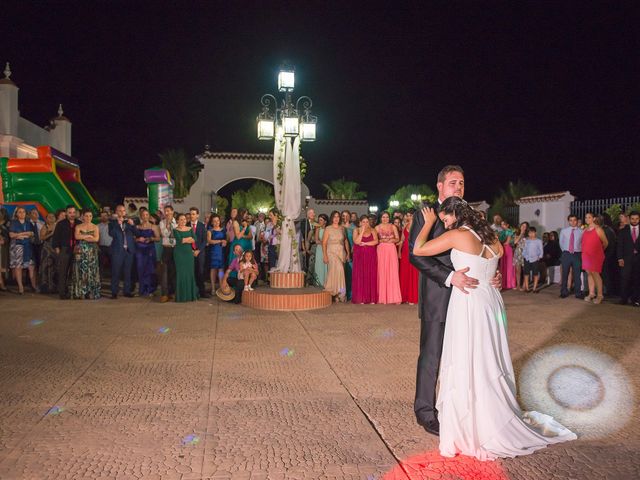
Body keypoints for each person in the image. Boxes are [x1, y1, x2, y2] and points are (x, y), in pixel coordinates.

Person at [413, 196, 576, 459]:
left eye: (445, 219)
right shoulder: (491, 238)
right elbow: (491, 268)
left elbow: (419, 249)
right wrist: (494, 276)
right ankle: (490, 412)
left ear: (455, 215)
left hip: (469, 302)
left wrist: (428, 222)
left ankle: (473, 423)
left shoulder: (458, 235)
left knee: (468, 358)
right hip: (490, 302)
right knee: (488, 359)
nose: (443, 223)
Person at [408, 165, 502, 436]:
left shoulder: (472, 218)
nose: (458, 187)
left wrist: (491, 276)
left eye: (461, 183)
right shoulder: (425, 215)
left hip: (471, 299)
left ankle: (460, 407)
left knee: (465, 354)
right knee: (432, 355)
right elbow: (416, 255)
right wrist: (450, 277)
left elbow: (487, 251)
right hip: (439, 296)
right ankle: (425, 412)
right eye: (452, 183)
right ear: (439, 186)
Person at [70, 209, 101, 299]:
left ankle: (91, 292)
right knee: (81, 270)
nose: (88, 218)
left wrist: (83, 237)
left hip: (92, 252)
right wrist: (88, 236)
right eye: (86, 216)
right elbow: (76, 236)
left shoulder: (95, 227)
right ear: (83, 216)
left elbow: (96, 239)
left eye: (90, 216)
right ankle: (81, 292)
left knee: (92, 271)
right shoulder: (78, 226)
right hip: (81, 251)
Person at [108, 204, 136, 299]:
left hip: (128, 250)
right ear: (116, 212)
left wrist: (133, 225)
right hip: (117, 251)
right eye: (119, 210)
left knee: (127, 272)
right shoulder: (112, 223)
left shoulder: (129, 222)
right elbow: (111, 234)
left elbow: (137, 233)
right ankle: (114, 292)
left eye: (123, 210)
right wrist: (118, 224)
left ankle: (127, 291)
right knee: (116, 271)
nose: (122, 212)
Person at [52, 205, 79, 299]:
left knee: (74, 272)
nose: (72, 214)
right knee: (63, 272)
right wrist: (57, 248)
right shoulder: (61, 224)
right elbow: (56, 237)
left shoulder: (79, 223)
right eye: (70, 212)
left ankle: (73, 292)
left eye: (73, 212)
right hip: (64, 249)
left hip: (76, 250)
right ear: (66, 213)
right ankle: (62, 293)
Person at [581, 212, 609, 304]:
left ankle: (600, 295)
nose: (587, 219)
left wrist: (599, 251)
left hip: (596, 255)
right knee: (589, 273)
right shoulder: (585, 229)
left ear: (594, 219)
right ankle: (591, 293)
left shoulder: (598, 229)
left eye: (589, 217)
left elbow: (605, 243)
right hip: (586, 255)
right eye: (586, 217)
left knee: (595, 273)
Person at [9, 207, 38, 294]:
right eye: (20, 212)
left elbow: (32, 234)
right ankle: (20, 287)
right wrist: (23, 234)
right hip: (18, 247)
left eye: (23, 212)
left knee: (31, 266)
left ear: (26, 213)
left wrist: (19, 235)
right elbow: (11, 235)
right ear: (16, 214)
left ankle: (34, 286)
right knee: (18, 267)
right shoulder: (14, 223)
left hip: (28, 247)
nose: (22, 214)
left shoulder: (29, 223)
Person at [322, 211, 350, 302]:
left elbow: (345, 241)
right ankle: (339, 293)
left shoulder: (342, 228)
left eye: (338, 217)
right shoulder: (328, 228)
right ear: (332, 218)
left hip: (341, 252)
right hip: (331, 252)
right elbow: (324, 243)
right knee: (339, 269)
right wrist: (325, 255)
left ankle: (339, 293)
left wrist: (348, 252)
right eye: (334, 217)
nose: (336, 218)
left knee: (340, 274)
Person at [375, 211, 402, 304]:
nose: (385, 219)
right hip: (381, 249)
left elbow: (398, 238)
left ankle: (393, 297)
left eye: (386, 217)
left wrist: (391, 240)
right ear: (380, 218)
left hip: (391, 249)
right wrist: (381, 240)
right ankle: (382, 297)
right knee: (382, 271)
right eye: (383, 217)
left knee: (392, 271)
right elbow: (375, 239)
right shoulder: (377, 227)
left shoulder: (393, 226)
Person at [351, 215, 378, 304]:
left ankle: (371, 298)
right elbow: (357, 242)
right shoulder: (356, 230)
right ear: (360, 222)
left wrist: (365, 243)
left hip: (371, 256)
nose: (365, 223)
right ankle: (361, 298)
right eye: (363, 222)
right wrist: (362, 231)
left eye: (367, 222)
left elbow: (376, 241)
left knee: (370, 274)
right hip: (360, 256)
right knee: (361, 275)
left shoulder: (373, 230)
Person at [173, 213, 199, 302]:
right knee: (180, 274)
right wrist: (188, 239)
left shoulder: (190, 229)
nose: (183, 221)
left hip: (188, 254)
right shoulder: (175, 230)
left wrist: (186, 239)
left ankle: (190, 295)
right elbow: (180, 240)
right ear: (177, 221)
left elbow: (194, 239)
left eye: (184, 219)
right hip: (179, 254)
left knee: (189, 273)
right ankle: (181, 296)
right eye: (181, 219)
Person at [134, 209, 160, 297]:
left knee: (150, 269)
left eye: (146, 215)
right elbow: (133, 238)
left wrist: (150, 239)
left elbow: (158, 238)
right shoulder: (137, 227)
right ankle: (142, 289)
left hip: (149, 249)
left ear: (149, 216)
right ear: (141, 216)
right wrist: (138, 239)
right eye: (143, 215)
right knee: (140, 269)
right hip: (139, 250)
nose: (145, 217)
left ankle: (150, 289)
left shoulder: (154, 227)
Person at [617, 211, 639, 306]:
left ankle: (636, 299)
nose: (634, 220)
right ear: (629, 219)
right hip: (626, 259)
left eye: (637, 218)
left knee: (637, 279)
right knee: (624, 279)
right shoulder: (623, 231)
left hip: (638, 259)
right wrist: (620, 258)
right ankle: (624, 299)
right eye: (632, 219)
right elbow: (619, 246)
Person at [559, 214, 584, 299]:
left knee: (577, 274)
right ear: (568, 221)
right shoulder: (564, 231)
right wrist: (566, 251)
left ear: (577, 221)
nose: (573, 222)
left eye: (574, 220)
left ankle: (578, 293)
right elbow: (561, 243)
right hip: (566, 253)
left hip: (577, 254)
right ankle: (564, 291)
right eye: (571, 220)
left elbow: (582, 243)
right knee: (565, 273)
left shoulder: (581, 231)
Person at [399, 209, 419, 304]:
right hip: (405, 251)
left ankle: (413, 297)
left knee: (414, 273)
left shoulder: (418, 225)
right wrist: (399, 251)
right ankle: (405, 296)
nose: (408, 217)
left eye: (411, 215)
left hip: (413, 250)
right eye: (407, 215)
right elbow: (402, 240)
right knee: (405, 273)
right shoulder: (405, 226)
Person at [188, 207, 208, 298]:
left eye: (193, 214)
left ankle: (202, 292)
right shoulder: (187, 225)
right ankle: (192, 291)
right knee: (191, 272)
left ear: (197, 215)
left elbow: (204, 240)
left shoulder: (201, 225)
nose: (191, 216)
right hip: (189, 252)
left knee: (200, 272)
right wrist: (191, 250)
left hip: (200, 253)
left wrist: (198, 250)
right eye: (190, 214)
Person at [159, 205, 177, 302]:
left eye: (168, 211)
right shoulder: (162, 223)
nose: (167, 213)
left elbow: (177, 234)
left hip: (175, 249)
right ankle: (164, 294)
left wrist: (172, 225)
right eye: (165, 211)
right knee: (164, 272)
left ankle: (173, 292)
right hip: (166, 249)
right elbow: (164, 234)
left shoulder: (177, 222)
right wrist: (167, 225)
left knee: (173, 272)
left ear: (172, 212)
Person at [207, 213, 226, 294]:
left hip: (221, 251)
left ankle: (221, 286)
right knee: (213, 269)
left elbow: (226, 239)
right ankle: (213, 288)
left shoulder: (223, 230)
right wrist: (220, 241)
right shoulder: (210, 230)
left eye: (217, 220)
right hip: (213, 251)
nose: (216, 222)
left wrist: (225, 241)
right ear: (211, 222)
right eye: (214, 221)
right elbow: (209, 241)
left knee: (221, 270)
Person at [38, 213, 58, 293]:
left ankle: (54, 287)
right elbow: (42, 237)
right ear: (46, 219)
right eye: (49, 217)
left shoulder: (57, 226)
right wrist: (51, 234)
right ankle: (45, 288)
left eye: (53, 216)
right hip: (47, 249)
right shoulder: (45, 226)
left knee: (55, 267)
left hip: (55, 248)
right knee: (45, 267)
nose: (51, 218)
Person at [522, 227, 543, 293]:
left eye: (532, 232)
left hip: (535, 259)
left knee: (535, 274)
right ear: (528, 234)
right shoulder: (527, 241)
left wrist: (539, 256)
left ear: (535, 233)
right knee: (526, 273)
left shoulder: (538, 241)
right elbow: (524, 249)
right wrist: (524, 256)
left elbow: (541, 250)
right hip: (527, 259)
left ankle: (534, 288)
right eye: (529, 233)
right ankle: (527, 288)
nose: (531, 234)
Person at [499, 220, 516, 289]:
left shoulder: (509, 231)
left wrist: (501, 243)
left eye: (503, 224)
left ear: (507, 225)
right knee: (503, 265)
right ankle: (504, 283)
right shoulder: (502, 232)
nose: (502, 226)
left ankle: (509, 283)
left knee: (508, 265)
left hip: (507, 248)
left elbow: (507, 242)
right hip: (503, 248)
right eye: (501, 224)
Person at [342, 210, 355, 300]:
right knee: (341, 275)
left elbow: (355, 242)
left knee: (350, 273)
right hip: (340, 252)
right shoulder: (339, 227)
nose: (345, 217)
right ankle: (342, 293)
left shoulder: (354, 227)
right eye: (343, 215)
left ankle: (350, 294)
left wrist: (350, 252)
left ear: (350, 217)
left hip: (351, 253)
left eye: (347, 215)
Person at [512, 222, 529, 291]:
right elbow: (515, 242)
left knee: (525, 270)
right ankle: (518, 285)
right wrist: (521, 234)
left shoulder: (528, 235)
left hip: (525, 253)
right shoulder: (517, 234)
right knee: (518, 270)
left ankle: (524, 285)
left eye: (525, 226)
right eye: (522, 226)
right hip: (518, 253)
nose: (523, 227)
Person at [313, 214, 328, 288]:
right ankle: (319, 283)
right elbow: (316, 240)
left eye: (321, 220)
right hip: (319, 249)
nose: (319, 221)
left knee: (326, 265)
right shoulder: (318, 229)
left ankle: (326, 282)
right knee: (319, 265)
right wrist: (324, 243)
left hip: (327, 249)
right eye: (319, 220)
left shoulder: (328, 229)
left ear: (325, 221)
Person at [97, 210, 113, 279]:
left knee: (113, 263)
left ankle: (113, 277)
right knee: (100, 264)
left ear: (108, 216)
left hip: (111, 247)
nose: (103, 217)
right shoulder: (97, 226)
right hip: (101, 247)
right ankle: (100, 278)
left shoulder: (112, 225)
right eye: (102, 216)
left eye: (105, 216)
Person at [300, 208, 316, 273]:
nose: (314, 214)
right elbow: (303, 233)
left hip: (313, 244)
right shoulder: (304, 222)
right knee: (306, 261)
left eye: (314, 213)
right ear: (308, 214)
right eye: (312, 213)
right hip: (306, 244)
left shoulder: (315, 223)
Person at [0, 208, 9, 291]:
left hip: (3, 248)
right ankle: (1, 283)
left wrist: (3, 240)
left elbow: (8, 237)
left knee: (2, 266)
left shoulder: (6, 225)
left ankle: (2, 282)